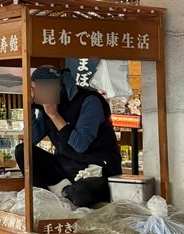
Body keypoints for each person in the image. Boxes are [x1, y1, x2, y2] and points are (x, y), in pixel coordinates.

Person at [14, 65, 122, 206]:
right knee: (24, 150)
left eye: (36, 89)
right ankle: (50, 196)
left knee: (81, 195)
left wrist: (54, 114)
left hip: (95, 170)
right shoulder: (46, 105)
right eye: (32, 89)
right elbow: (33, 139)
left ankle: (64, 192)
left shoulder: (89, 101)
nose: (33, 93)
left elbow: (80, 145)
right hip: (65, 167)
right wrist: (29, 107)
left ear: (55, 87)